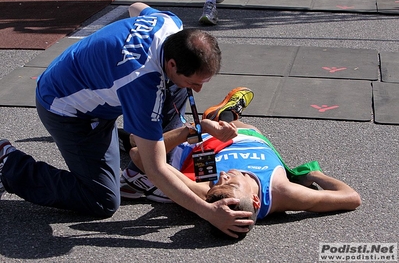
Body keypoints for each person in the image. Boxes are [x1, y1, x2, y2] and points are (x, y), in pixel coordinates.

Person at [0, 2, 255, 238]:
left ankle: (148, 138)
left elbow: (136, 7)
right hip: (69, 109)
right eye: (194, 83)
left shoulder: (169, 25)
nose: (198, 90)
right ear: (173, 63)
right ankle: (9, 162)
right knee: (102, 200)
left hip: (91, 80)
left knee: (172, 93)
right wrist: (208, 212)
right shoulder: (142, 84)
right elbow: (153, 169)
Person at [120, 87, 362, 238]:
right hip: (242, 133)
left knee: (133, 137)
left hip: (196, 137)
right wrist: (312, 175)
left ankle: (211, 118)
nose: (223, 177)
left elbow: (139, 155)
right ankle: (224, 115)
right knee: (230, 123)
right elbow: (351, 198)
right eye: (231, 183)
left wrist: (195, 129)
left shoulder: (207, 192)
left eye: (219, 183)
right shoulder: (284, 192)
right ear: (256, 200)